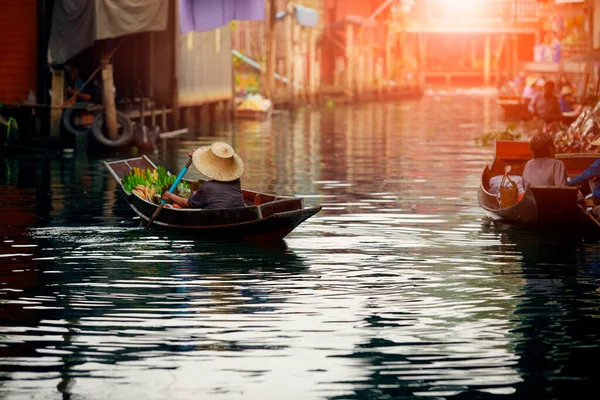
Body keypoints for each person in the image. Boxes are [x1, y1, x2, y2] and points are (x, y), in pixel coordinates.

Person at [162, 142, 245, 209]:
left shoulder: (207, 187)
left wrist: (171, 196)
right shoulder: (236, 180)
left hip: (215, 219)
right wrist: (196, 157)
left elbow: (188, 204)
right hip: (238, 214)